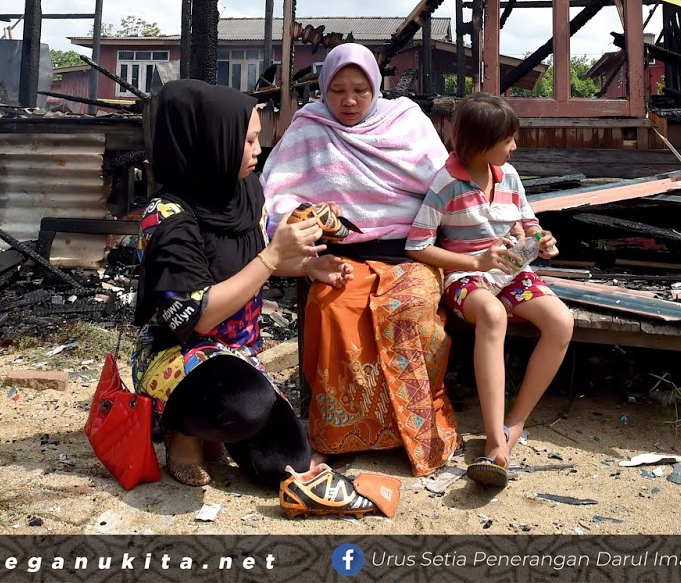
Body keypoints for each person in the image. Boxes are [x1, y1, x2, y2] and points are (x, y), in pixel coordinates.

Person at [131, 80, 344, 493]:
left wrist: (306, 267)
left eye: (257, 138)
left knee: (286, 467)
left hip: (239, 356)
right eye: (246, 141)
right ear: (210, 142)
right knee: (243, 406)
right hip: (177, 353)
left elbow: (250, 266)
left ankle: (214, 427)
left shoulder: (244, 190)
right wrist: (273, 257)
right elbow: (200, 317)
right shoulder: (168, 217)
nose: (257, 151)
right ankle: (184, 435)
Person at [261, 43, 459, 477]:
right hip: (343, 255)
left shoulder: (406, 121)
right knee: (333, 310)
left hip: (409, 253)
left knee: (411, 312)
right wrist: (305, 221)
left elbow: (444, 186)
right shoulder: (308, 128)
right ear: (323, 91)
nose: (348, 101)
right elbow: (279, 190)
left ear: (376, 88)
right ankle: (335, 436)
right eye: (337, 91)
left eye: (359, 90)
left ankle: (411, 431)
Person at [406, 92, 570, 488]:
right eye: (509, 139)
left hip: (511, 270)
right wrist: (474, 264)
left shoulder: (509, 176)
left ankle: (515, 424)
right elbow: (417, 246)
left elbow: (528, 222)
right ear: (482, 143)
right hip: (466, 276)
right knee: (493, 315)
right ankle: (495, 441)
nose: (515, 146)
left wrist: (543, 240)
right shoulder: (446, 183)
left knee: (561, 322)